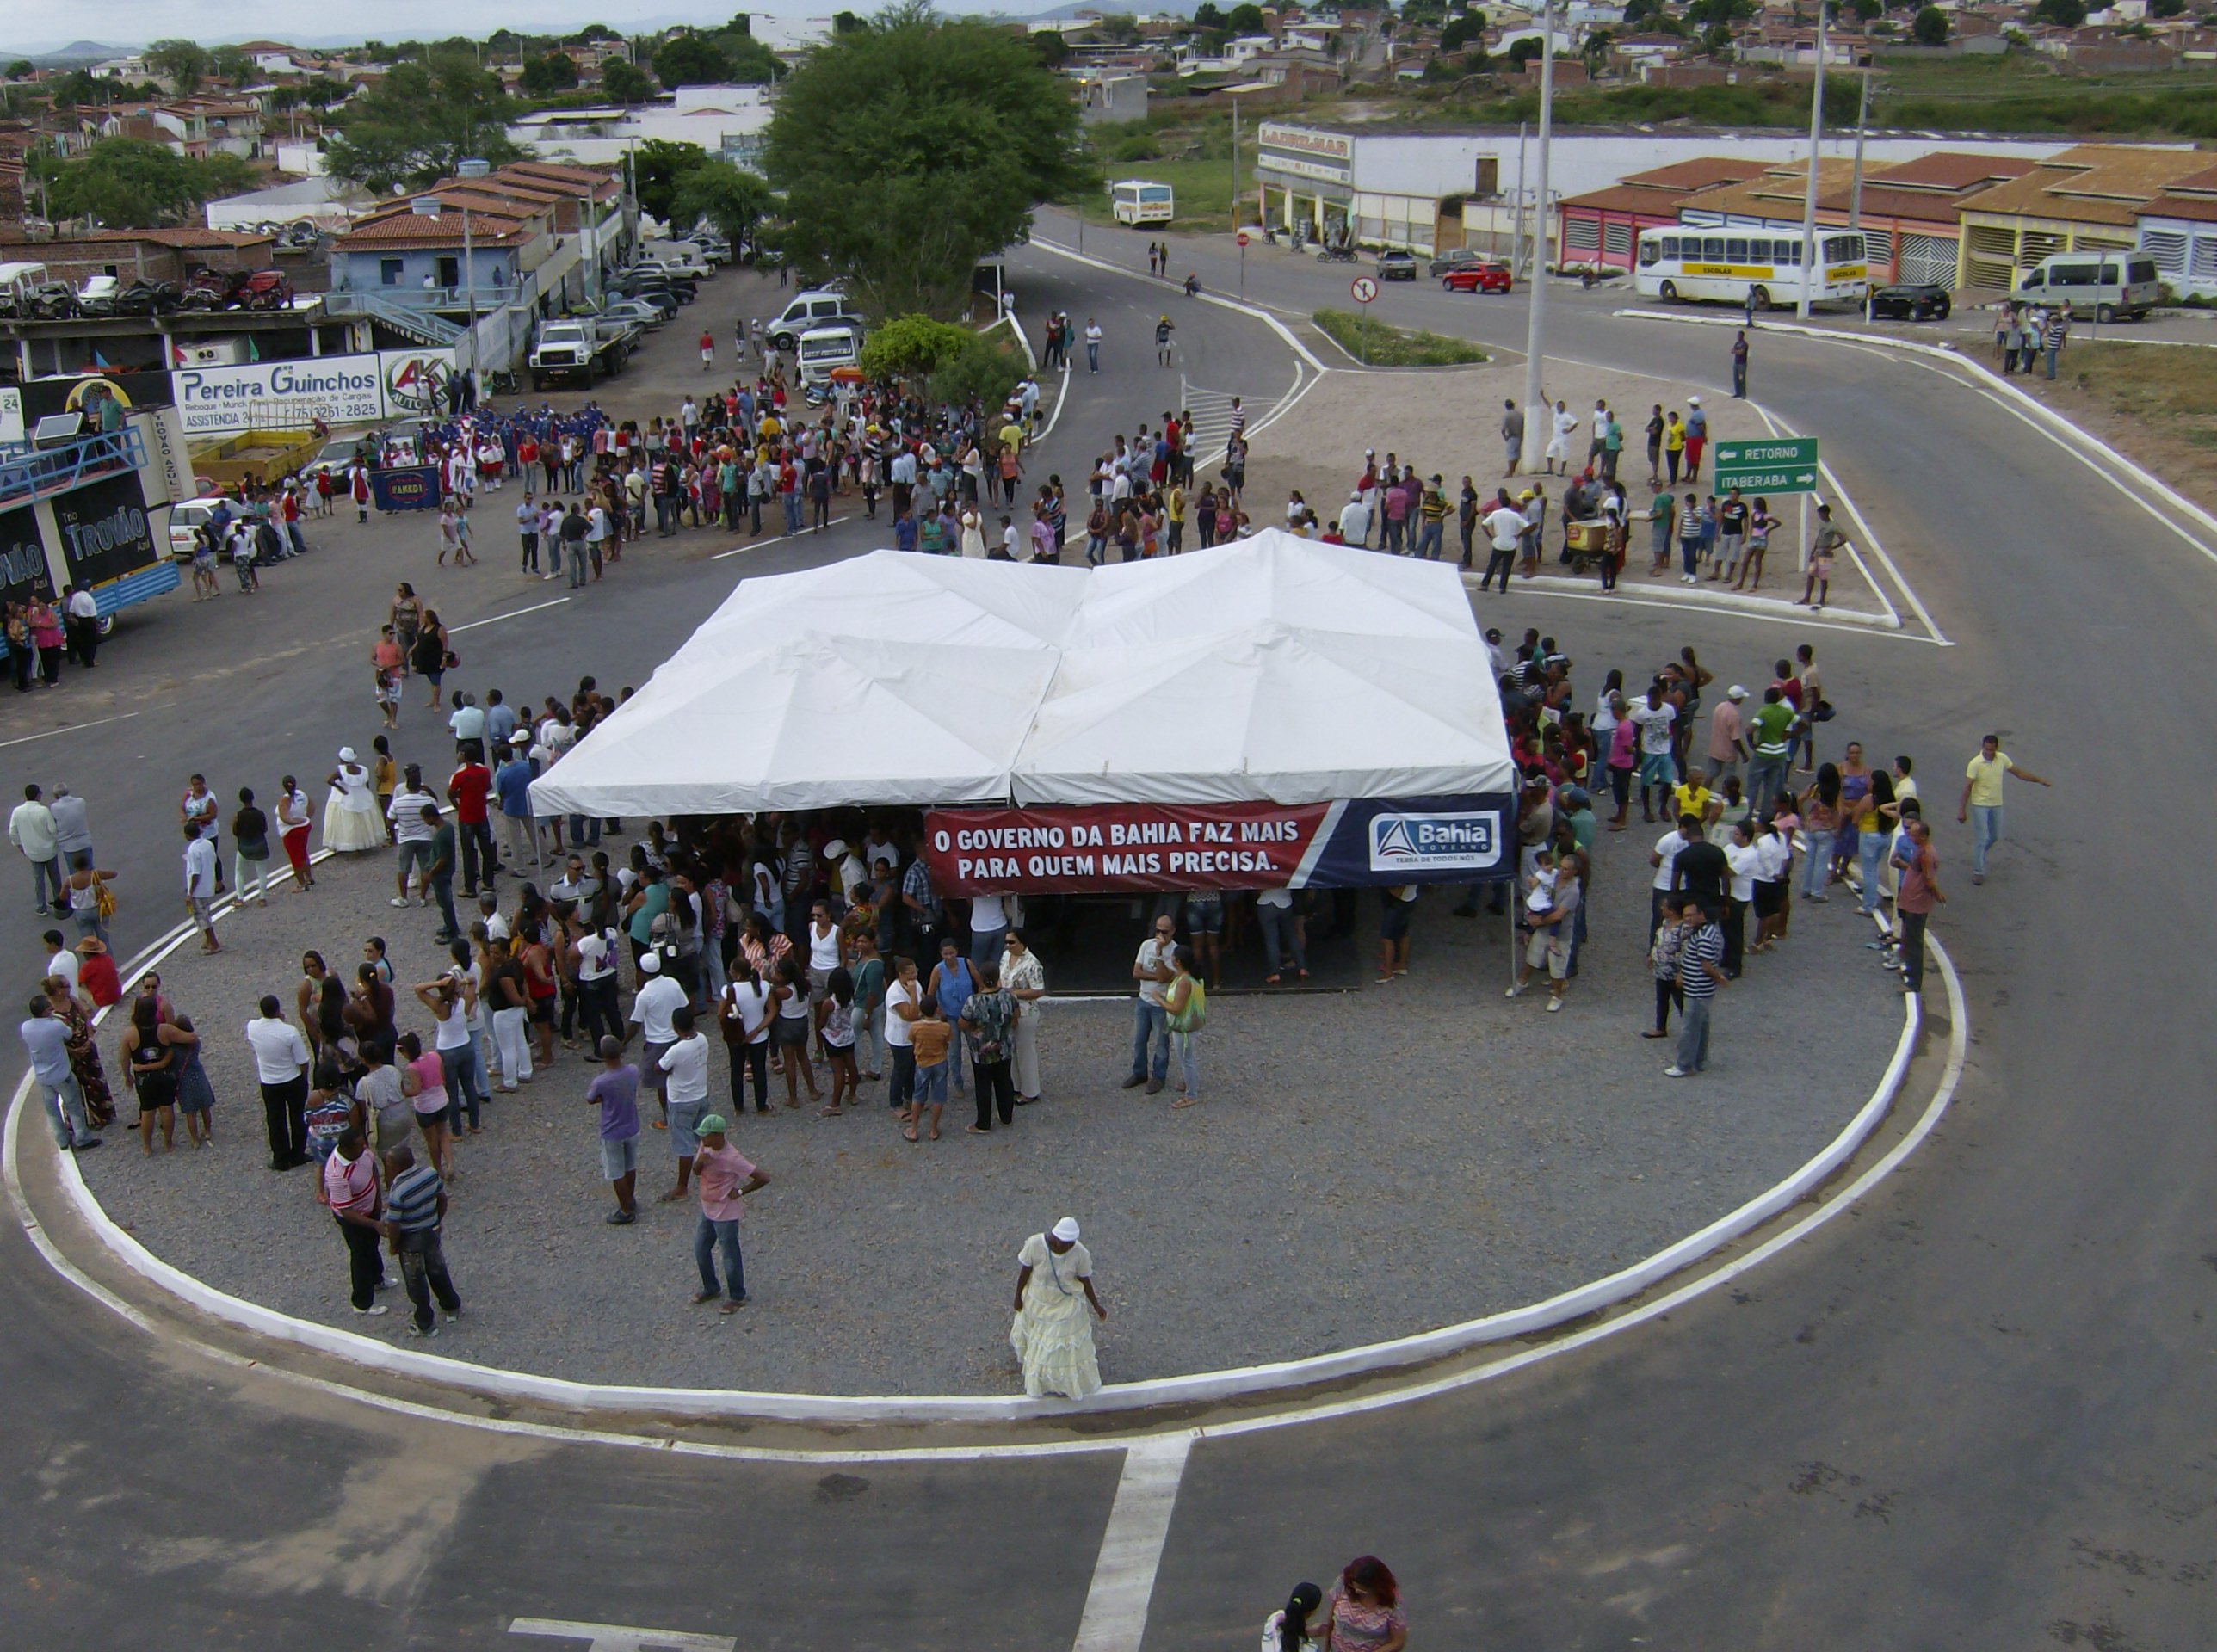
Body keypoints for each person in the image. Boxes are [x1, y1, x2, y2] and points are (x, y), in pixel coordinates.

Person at [1010, 1217, 1107, 1399]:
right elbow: (1024, 1273)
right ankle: (1044, 1379)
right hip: (1038, 1300)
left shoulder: (1080, 1253)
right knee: (1040, 1341)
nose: (1065, 1248)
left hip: (1065, 1304)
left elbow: (1085, 1281)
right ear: (1054, 1237)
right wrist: (1017, 1298)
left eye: (1069, 1244)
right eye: (1062, 1243)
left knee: (1056, 1345)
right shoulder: (1034, 1245)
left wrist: (1097, 1306)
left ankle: (1059, 1380)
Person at [380, 1142, 460, 1337]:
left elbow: (394, 1223)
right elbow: (442, 1199)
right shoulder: (430, 1173)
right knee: (438, 1269)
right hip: (431, 1231)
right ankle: (451, 1305)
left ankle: (425, 1323)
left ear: (397, 1166)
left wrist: (393, 1245)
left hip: (411, 1239)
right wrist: (437, 1221)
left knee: (416, 1281)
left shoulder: (398, 1190)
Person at [1958, 733, 2051, 884]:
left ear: (1996, 749)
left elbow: (2019, 773)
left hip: (1996, 803)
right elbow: (1967, 787)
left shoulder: (2002, 759)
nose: (1988, 753)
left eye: (1991, 750)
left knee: (1994, 836)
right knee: (1982, 837)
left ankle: (1979, 855)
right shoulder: (1975, 763)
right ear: (1983, 747)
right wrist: (1962, 809)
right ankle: (1978, 870)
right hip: (1980, 804)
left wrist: (2039, 780)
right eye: (1986, 749)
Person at [322, 1125, 389, 1316]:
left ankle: (377, 1279)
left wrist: (377, 1201)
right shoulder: (338, 1175)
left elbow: (373, 1168)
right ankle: (362, 1303)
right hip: (355, 1220)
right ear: (348, 1149)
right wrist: (374, 1223)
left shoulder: (362, 1153)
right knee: (361, 1255)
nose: (364, 1149)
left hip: (370, 1210)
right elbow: (346, 1211)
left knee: (372, 1245)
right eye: (360, 1146)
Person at [22, 994, 98, 1153]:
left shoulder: (25, 1028)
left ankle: (62, 1140)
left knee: (52, 1111)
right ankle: (82, 1138)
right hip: (61, 1074)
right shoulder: (55, 1026)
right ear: (44, 1011)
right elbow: (68, 1034)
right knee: (74, 1107)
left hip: (42, 1076)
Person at [1664, 897, 1726, 1078]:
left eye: (1691, 915)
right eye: (1685, 916)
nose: (1687, 919)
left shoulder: (1704, 937)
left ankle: (1684, 1065)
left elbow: (1706, 965)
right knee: (1702, 1024)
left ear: (1702, 915)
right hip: (1701, 988)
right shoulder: (1708, 931)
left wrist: (1719, 977)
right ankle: (1700, 1060)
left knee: (1689, 1028)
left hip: (1697, 989)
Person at [658, 1006, 713, 1204]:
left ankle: (682, 1186)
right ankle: (709, 1171)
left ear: (675, 1027)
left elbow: (660, 1068)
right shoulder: (703, 1039)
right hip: (701, 1094)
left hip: (681, 1100)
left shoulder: (676, 1050)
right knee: (702, 1138)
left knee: (684, 1145)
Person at [584, 1035, 642, 1224]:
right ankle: (630, 1199)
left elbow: (591, 1098)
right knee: (630, 1165)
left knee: (616, 1171)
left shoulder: (601, 1081)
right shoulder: (633, 1071)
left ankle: (625, 1210)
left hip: (612, 1131)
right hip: (632, 1126)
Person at [960, 963, 1017, 1134]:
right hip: (1004, 1047)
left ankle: (983, 1123)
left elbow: (962, 1022)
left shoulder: (973, 1001)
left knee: (983, 1085)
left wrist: (974, 1030)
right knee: (1005, 1081)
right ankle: (1006, 1116)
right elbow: (1015, 1017)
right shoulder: (1008, 997)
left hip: (982, 1050)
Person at [1122, 913, 1176, 1094]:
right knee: (1139, 1040)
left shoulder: (1175, 952)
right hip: (1144, 999)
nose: (1160, 935)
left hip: (1161, 1004)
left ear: (1173, 931)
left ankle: (1159, 1077)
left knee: (1161, 1043)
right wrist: (1158, 977)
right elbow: (1136, 972)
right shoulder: (1146, 945)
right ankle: (1139, 1073)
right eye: (1158, 930)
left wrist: (1160, 955)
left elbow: (1166, 977)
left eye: (1165, 932)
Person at [1322, 1557, 1408, 1652]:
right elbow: (1331, 1618)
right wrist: (1326, 1647)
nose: (1356, 1591)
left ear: (1377, 1587)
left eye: (1363, 1591)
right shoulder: (1344, 1583)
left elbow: (1398, 1641)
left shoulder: (1392, 1602)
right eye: (1353, 1586)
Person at [1000, 930, 1046, 1105]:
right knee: (1011, 1049)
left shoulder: (1032, 963)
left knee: (1025, 1051)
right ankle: (1016, 1086)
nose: (1008, 945)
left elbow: (1039, 990)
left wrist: (1013, 993)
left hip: (1026, 1012)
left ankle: (1031, 1091)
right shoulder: (1005, 956)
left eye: (1012, 942)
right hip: (1007, 1009)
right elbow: (1001, 977)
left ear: (1022, 943)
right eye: (1006, 942)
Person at [1161, 945, 1207, 1108]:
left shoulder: (1184, 982)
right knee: (1187, 1058)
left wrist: (1159, 1000)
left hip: (1184, 1028)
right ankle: (1188, 1083)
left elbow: (1176, 1008)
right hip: (1189, 1026)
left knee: (1186, 1060)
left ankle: (1191, 1094)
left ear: (1178, 961)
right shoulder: (1191, 977)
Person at [10, 783, 62, 915]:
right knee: (55, 877)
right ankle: (59, 901)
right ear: (38, 795)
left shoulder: (17, 811)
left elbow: (13, 832)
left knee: (39, 879)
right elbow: (53, 830)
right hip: (49, 850)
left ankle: (41, 906)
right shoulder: (44, 810)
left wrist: (20, 846)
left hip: (32, 852)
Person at [905, 1000, 950, 1143]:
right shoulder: (945, 1027)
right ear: (937, 1009)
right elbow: (947, 1043)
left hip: (923, 1063)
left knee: (918, 1095)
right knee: (938, 1096)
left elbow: (912, 1041)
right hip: (940, 1062)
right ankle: (933, 1129)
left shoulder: (915, 1027)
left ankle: (913, 1130)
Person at [1265, 1582, 1325, 1652]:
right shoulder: (1312, 1649)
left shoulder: (1273, 1620)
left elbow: (1289, 1628)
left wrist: (1308, 1631)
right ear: (1312, 1612)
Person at [1731, 328, 1750, 398]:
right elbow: (1732, 351)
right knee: (1736, 379)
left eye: (1739, 335)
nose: (1738, 337)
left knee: (1742, 379)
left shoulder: (1744, 344)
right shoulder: (1737, 343)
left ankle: (1743, 394)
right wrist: (1737, 352)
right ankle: (1737, 393)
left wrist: (1736, 351)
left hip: (1742, 364)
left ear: (1742, 336)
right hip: (1736, 363)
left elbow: (1742, 352)